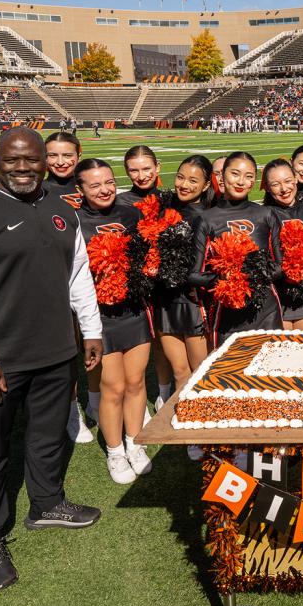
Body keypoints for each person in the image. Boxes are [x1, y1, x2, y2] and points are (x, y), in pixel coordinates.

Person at [0, 127, 103, 592]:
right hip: (2, 357)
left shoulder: (60, 210)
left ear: (44, 162)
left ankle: (46, 503)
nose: (21, 168)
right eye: (11, 159)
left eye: (30, 160)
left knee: (48, 434)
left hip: (55, 349)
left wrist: (90, 329)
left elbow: (78, 273)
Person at [75, 158, 154, 485]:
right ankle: (114, 450)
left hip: (134, 312)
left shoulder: (130, 214)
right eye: (94, 185)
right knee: (112, 387)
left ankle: (135, 443)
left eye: (108, 182)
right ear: (80, 190)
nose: (105, 189)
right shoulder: (74, 221)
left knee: (136, 383)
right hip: (99, 318)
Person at [189, 152, 283, 346]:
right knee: (230, 374)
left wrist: (251, 277)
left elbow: (279, 266)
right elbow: (193, 274)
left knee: (269, 374)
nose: (241, 181)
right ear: (222, 176)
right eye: (235, 174)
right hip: (227, 313)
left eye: (249, 176)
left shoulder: (266, 214)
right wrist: (226, 281)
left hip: (267, 311)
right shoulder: (206, 219)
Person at [43, 132, 94, 442]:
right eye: (53, 155)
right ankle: (72, 409)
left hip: (94, 277)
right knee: (66, 350)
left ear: (78, 154)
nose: (61, 161)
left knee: (93, 342)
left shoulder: (88, 181)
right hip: (57, 279)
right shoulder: (37, 188)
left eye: (67, 155)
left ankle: (97, 400)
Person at [117, 146, 173, 412]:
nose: (141, 175)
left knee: (163, 339)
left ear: (157, 167)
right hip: (135, 283)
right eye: (134, 170)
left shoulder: (170, 199)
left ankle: (164, 392)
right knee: (138, 343)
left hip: (166, 281)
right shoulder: (121, 202)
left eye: (146, 169)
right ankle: (135, 395)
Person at [155, 155, 213, 393]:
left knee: (201, 370)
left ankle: (203, 422)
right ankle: (180, 420)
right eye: (180, 177)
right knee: (179, 370)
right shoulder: (163, 208)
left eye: (193, 180)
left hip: (193, 301)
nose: (184, 185)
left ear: (206, 185)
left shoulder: (209, 215)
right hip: (165, 300)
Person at [263, 159, 303, 330]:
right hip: (275, 296)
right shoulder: (262, 215)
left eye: (288, 181)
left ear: (296, 179)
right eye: (275, 184)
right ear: (266, 187)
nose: (284, 189)